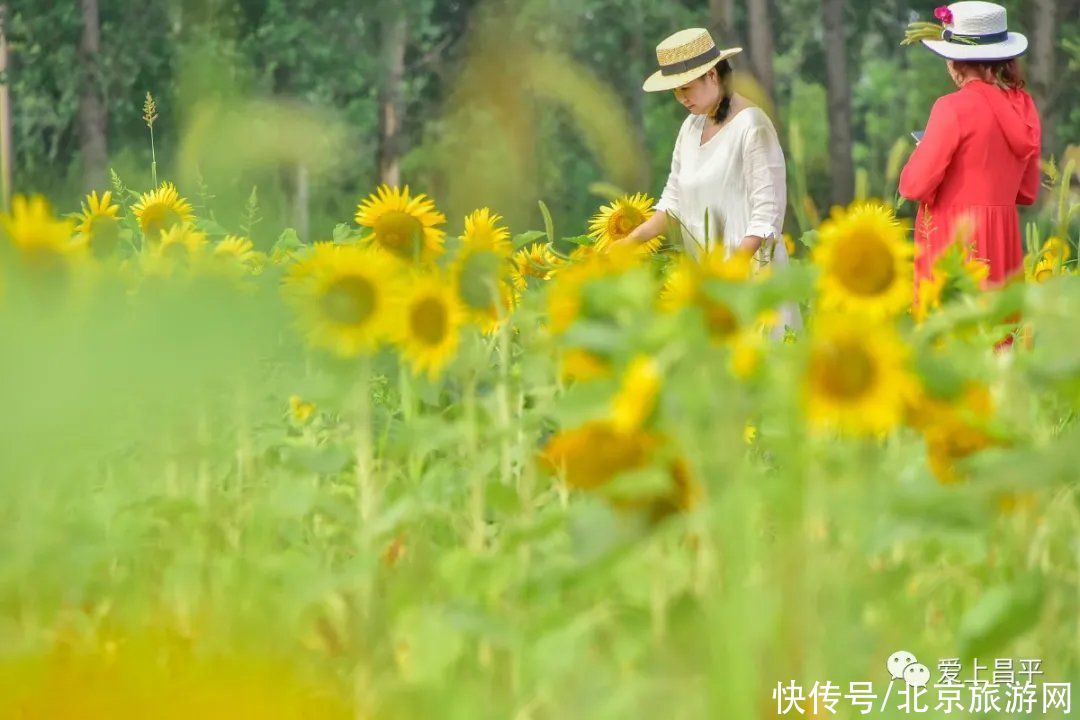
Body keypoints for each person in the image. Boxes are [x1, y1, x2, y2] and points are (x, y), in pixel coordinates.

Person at [615, 28, 789, 269]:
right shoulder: (691, 126)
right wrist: (630, 241)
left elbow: (767, 214)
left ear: (712, 76)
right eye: (675, 91)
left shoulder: (753, 126)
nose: (681, 98)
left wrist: (731, 271)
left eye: (685, 88)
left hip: (752, 274)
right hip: (708, 276)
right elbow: (674, 201)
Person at [899, 1, 1041, 294]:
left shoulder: (951, 108)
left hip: (954, 242)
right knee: (1000, 332)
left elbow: (913, 187)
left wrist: (923, 149)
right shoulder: (1024, 109)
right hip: (1004, 241)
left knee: (955, 330)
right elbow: (1026, 193)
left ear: (955, 61)